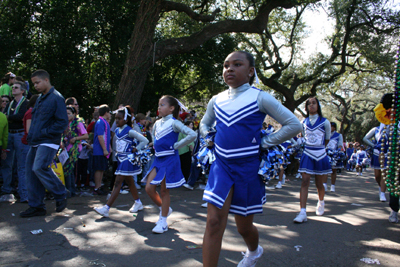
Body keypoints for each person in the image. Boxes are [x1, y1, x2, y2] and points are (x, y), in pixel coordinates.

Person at [200, 51, 302, 267]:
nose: (229, 69)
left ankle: (254, 251)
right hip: (221, 166)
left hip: (248, 168)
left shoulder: (260, 97)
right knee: (213, 221)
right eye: (226, 65)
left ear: (250, 71)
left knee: (243, 227)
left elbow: (294, 125)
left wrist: (263, 143)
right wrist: (210, 138)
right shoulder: (216, 99)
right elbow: (204, 123)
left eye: (237, 64)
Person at [142, 95, 196, 234]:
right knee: (149, 188)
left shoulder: (174, 122)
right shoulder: (157, 123)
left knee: (165, 190)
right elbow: (155, 137)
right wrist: (153, 144)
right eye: (159, 105)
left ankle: (163, 220)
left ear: (172, 108)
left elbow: (192, 134)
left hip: (170, 159)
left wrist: (177, 145)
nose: (159, 107)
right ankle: (165, 208)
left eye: (162, 105)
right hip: (158, 159)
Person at [20, 69, 69, 217]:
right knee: (31, 174)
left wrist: (44, 133)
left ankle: (61, 193)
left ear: (46, 80)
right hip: (35, 141)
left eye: (37, 82)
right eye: (34, 83)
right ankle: (37, 207)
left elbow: (62, 122)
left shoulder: (56, 98)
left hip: (48, 141)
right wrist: (33, 136)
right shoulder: (40, 98)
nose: (35, 86)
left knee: (39, 167)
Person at [94, 106, 149, 217]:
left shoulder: (129, 131)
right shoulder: (118, 130)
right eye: (116, 118)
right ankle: (138, 202)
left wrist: (136, 148)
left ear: (126, 119)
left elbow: (145, 140)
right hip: (120, 159)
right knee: (130, 182)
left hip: (127, 160)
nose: (116, 121)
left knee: (118, 182)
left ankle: (106, 208)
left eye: (119, 118)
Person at [294, 97, 331, 223]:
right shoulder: (303, 122)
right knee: (304, 181)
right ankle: (302, 211)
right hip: (307, 153)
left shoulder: (325, 122)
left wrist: (320, 149)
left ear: (318, 105)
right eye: (309, 104)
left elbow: (327, 139)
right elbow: (304, 137)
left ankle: (321, 201)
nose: (311, 105)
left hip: (320, 154)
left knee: (319, 184)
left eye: (314, 103)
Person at [1, 81, 29, 202]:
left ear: (22, 91)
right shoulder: (10, 103)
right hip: (10, 134)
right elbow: (9, 116)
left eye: (16, 88)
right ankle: (7, 189)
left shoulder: (26, 103)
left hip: (20, 133)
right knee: (7, 163)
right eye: (12, 87)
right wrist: (11, 118)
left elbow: (21, 116)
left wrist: (9, 118)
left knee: (21, 165)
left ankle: (23, 194)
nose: (13, 89)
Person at [363, 93, 393, 202]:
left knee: (384, 172)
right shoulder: (376, 129)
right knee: (377, 175)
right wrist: (374, 145)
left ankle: (382, 193)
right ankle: (380, 187)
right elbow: (365, 138)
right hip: (377, 152)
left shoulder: (393, 126)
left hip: (388, 153)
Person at [61, 106, 88, 197]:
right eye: (66, 114)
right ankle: (71, 190)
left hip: (75, 149)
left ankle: (70, 190)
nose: (67, 115)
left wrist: (76, 138)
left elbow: (86, 136)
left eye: (69, 114)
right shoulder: (66, 123)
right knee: (69, 169)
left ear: (74, 114)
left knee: (69, 169)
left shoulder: (78, 123)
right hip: (66, 148)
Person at [92, 104, 112, 195]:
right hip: (99, 150)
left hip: (103, 150)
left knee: (102, 169)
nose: (110, 114)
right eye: (109, 112)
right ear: (105, 112)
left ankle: (99, 186)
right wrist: (104, 149)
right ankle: (97, 187)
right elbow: (100, 136)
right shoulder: (100, 122)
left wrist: (109, 147)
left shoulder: (105, 122)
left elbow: (107, 137)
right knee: (98, 169)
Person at [324, 122, 343, 192]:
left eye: (331, 127)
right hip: (325, 153)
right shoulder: (325, 134)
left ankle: (332, 186)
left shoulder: (338, 135)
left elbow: (340, 144)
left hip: (334, 154)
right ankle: (324, 185)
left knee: (333, 170)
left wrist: (338, 152)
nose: (330, 128)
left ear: (334, 128)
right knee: (325, 170)